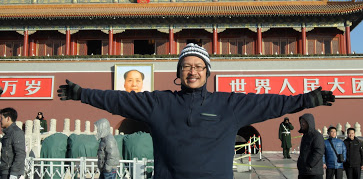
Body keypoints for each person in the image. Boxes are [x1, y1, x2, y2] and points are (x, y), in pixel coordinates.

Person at [58, 43, 335, 179]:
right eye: (186, 66)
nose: (193, 71)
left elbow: (271, 104)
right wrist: (82, 94)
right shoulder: (159, 103)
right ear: (179, 72)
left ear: (207, 72)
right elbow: (118, 100)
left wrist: (308, 100)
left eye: (199, 66)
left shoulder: (229, 105)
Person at [0, 108, 26, 179]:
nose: (0, 121)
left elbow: (20, 154)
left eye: (1, 118)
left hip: (11, 173)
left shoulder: (16, 133)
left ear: (8, 118)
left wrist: (14, 173)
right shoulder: (7, 133)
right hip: (4, 171)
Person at [297, 113, 325, 179]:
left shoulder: (317, 136)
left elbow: (319, 151)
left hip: (314, 172)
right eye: (301, 122)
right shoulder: (305, 136)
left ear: (309, 123)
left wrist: (310, 164)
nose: (302, 124)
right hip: (304, 171)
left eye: (304, 122)